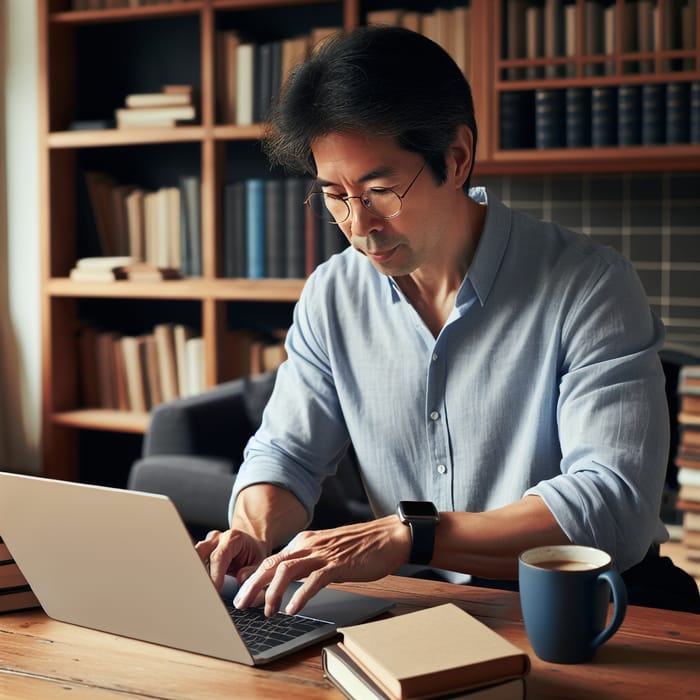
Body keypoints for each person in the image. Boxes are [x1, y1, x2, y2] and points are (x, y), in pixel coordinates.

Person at [197, 25, 699, 615]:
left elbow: (612, 503)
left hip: (588, 604)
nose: (358, 226)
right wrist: (252, 531)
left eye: (380, 190)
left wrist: (413, 534)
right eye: (334, 194)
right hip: (415, 606)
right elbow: (287, 454)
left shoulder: (591, 286)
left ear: (456, 159)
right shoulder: (332, 294)